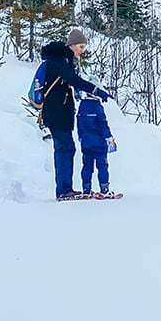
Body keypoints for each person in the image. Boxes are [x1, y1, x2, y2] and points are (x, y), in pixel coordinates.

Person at [39, 27, 110, 201]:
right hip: (56, 112)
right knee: (64, 148)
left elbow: (72, 83)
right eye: (81, 47)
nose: (82, 51)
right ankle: (63, 191)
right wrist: (96, 90)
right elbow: (74, 80)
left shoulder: (63, 60)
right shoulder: (60, 60)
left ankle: (65, 188)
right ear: (72, 45)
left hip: (59, 111)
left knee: (66, 148)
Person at [77, 92, 116, 197]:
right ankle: (104, 189)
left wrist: (80, 136)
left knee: (87, 166)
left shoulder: (82, 105)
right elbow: (103, 123)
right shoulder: (97, 106)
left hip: (86, 142)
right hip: (99, 143)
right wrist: (109, 137)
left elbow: (79, 122)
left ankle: (86, 189)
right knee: (102, 166)